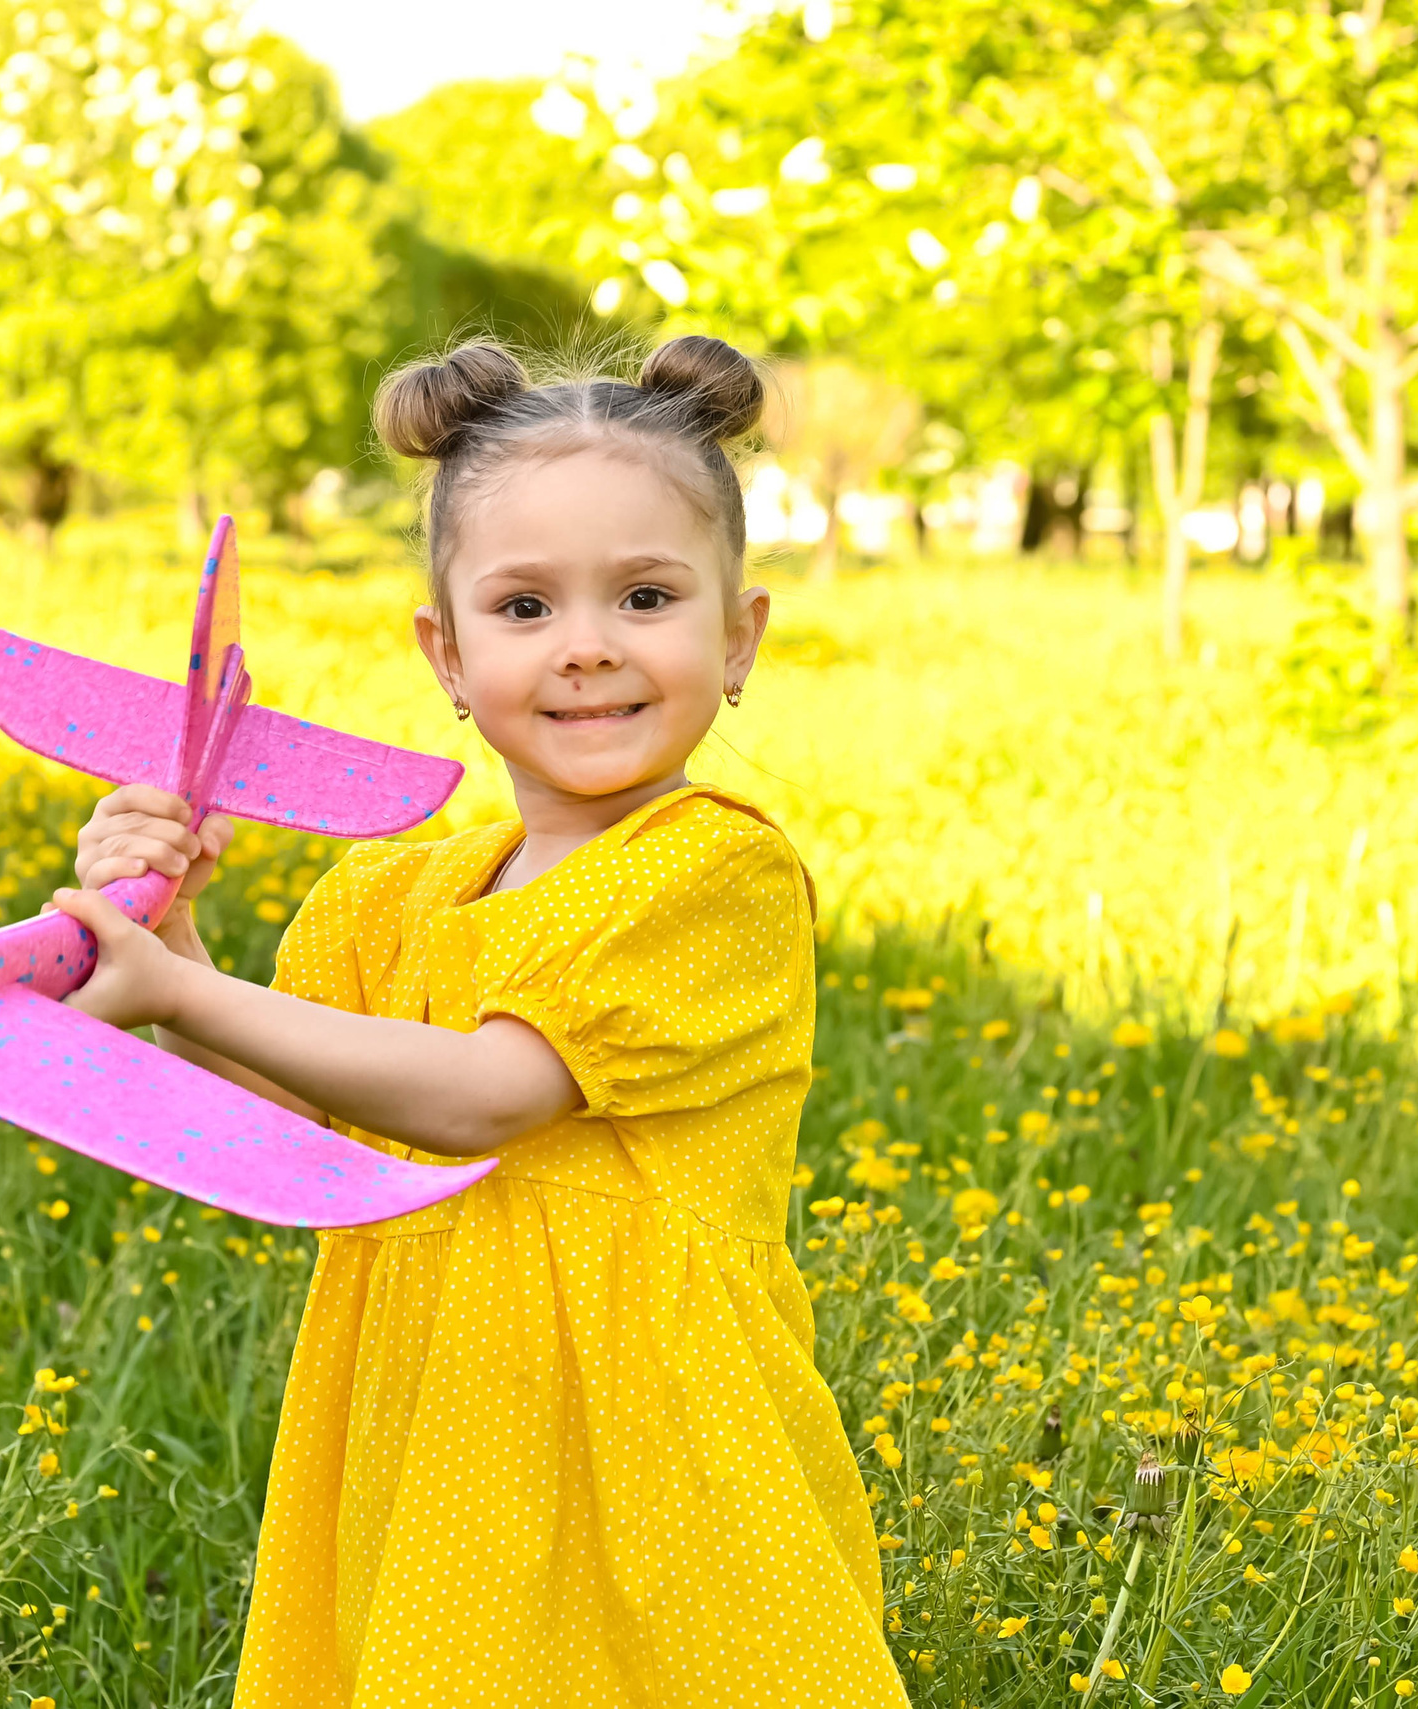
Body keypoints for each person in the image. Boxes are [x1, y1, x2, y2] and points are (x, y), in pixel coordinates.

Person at [48, 336, 908, 1708]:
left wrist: (182, 989)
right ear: (446, 654)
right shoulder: (388, 893)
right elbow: (282, 1112)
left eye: (646, 596)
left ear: (739, 637)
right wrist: (174, 939)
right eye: (523, 606)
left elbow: (489, 1093)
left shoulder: (713, 869)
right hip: (442, 1420)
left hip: (657, 1447)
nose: (587, 645)